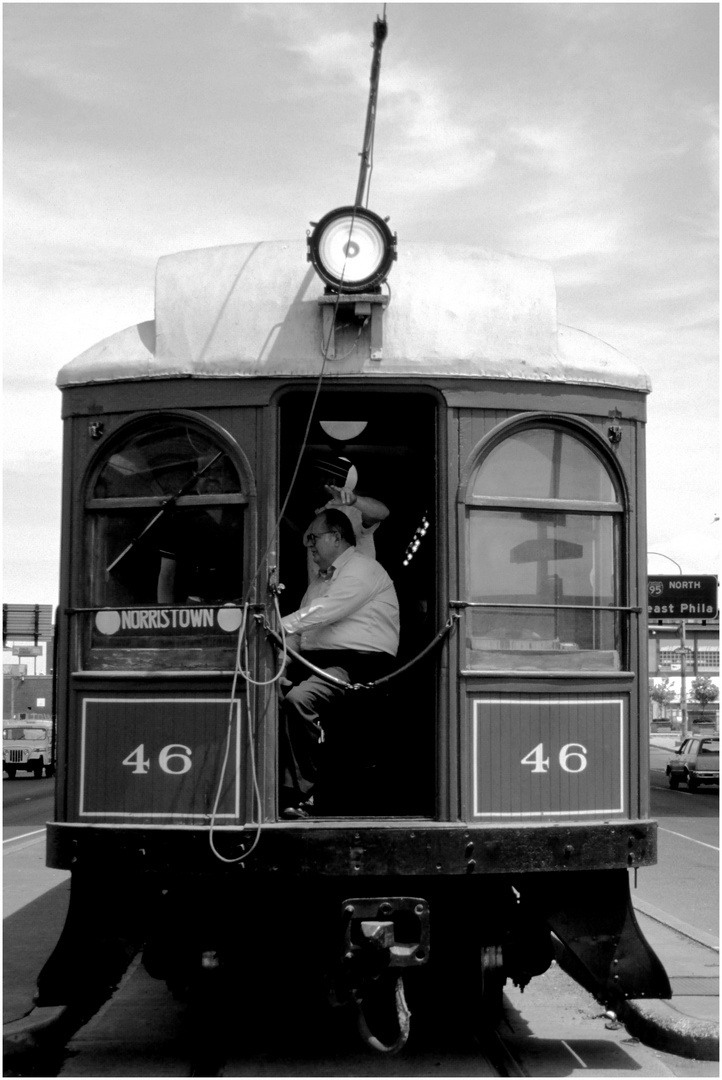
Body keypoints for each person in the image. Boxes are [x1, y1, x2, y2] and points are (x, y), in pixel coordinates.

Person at [279, 507, 400, 818]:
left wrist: (275, 624)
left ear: (335, 537)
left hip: (359, 665)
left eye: (314, 538)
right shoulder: (320, 582)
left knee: (299, 700)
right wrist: (280, 666)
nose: (309, 545)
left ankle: (310, 793)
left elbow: (327, 611)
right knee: (272, 695)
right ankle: (288, 792)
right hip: (321, 662)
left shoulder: (362, 568)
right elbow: (302, 634)